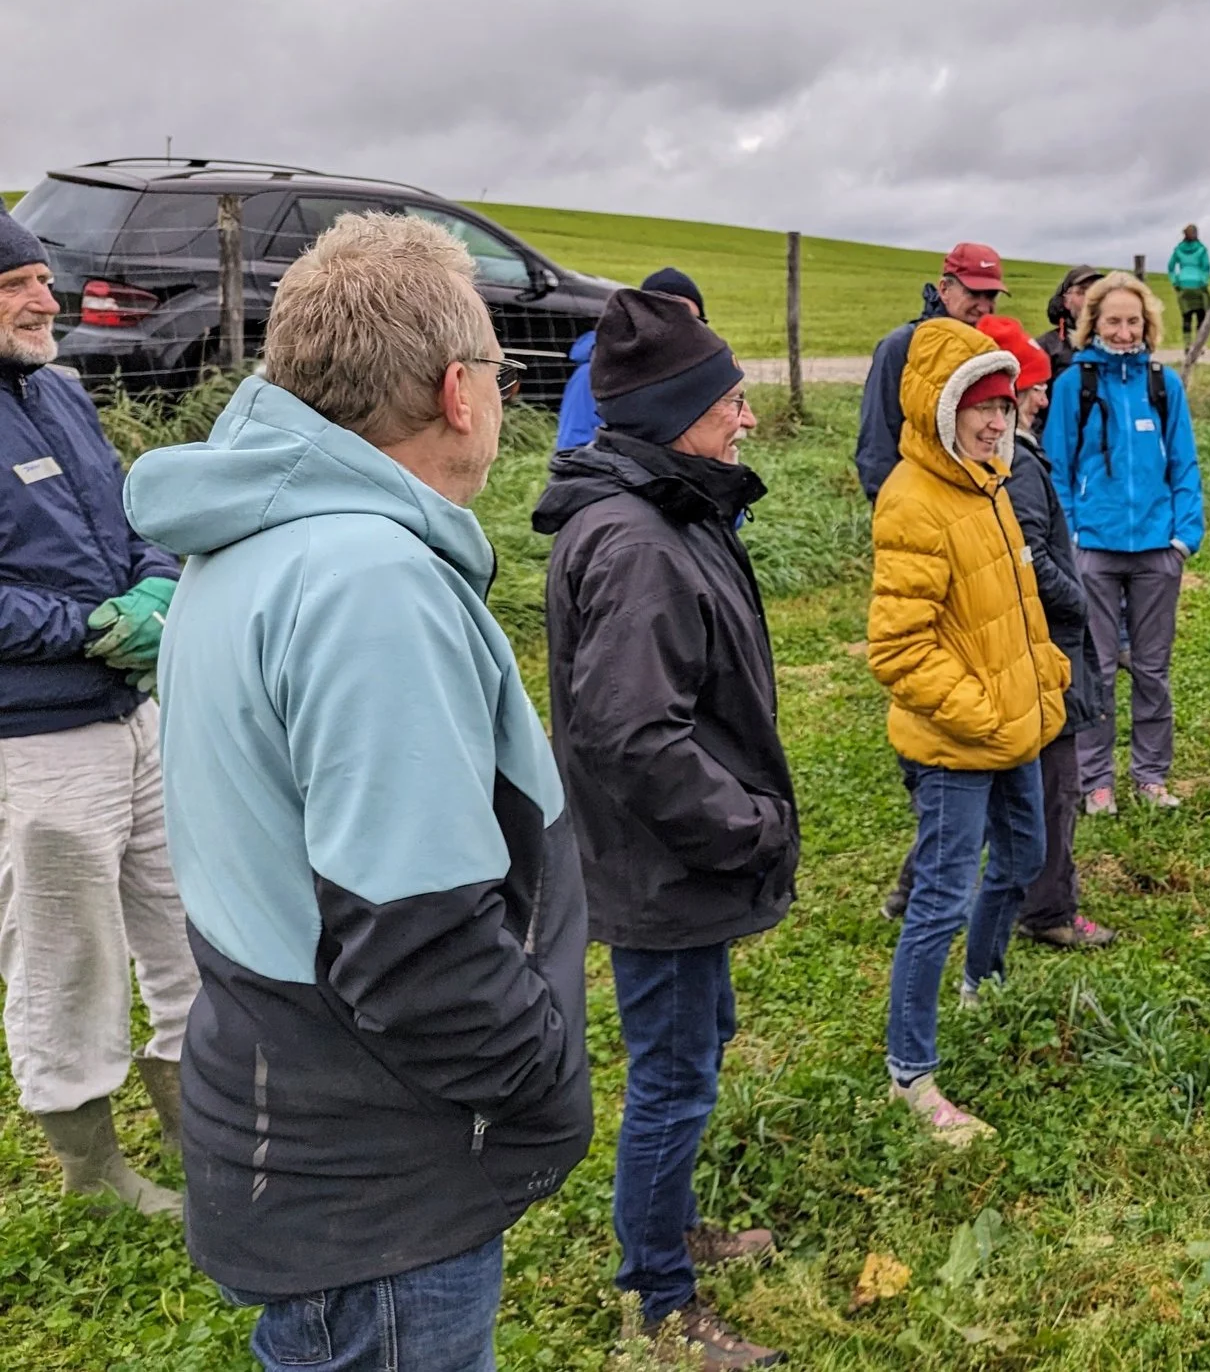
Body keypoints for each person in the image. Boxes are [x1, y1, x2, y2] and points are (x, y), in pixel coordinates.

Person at [125, 212, 592, 1368]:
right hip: (378, 1168)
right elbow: (419, 945)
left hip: (293, 1114)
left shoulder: (247, 542)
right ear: (457, 391)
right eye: (499, 373)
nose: (501, 396)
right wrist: (539, 1077)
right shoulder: (368, 580)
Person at [534, 289, 796, 1368]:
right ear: (677, 413)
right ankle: (658, 1297)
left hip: (674, 862)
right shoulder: (638, 541)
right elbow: (634, 735)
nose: (747, 416)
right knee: (673, 1076)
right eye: (729, 401)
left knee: (695, 1043)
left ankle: (672, 1228)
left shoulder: (669, 510)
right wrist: (744, 828)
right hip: (668, 866)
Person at [0, 206, 195, 1220]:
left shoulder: (55, 391)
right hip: (36, 740)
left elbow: (129, 511)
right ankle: (91, 1173)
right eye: (16, 286)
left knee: (187, 921)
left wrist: (158, 583)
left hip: (132, 714)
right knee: (67, 954)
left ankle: (202, 1121)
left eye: (42, 278)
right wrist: (84, 626)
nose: (47, 299)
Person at [868, 318, 1069, 1145]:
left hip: (1012, 723)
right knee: (940, 900)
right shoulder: (913, 501)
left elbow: (1017, 604)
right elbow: (897, 647)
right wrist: (981, 713)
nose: (995, 422)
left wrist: (1044, 674)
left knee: (1022, 858)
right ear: (938, 409)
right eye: (978, 407)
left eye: (1003, 406)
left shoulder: (989, 484)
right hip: (958, 742)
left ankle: (981, 982)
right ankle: (909, 1072)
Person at [1040, 272, 1202, 814]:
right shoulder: (1075, 385)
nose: (1124, 331)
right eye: (1113, 320)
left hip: (1158, 550)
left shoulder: (1164, 384)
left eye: (1134, 321)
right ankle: (1096, 781)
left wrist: (1184, 537)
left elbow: (1185, 464)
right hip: (1095, 551)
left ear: (1147, 324)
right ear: (1093, 323)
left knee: (1153, 670)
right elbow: (1057, 470)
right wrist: (1072, 540)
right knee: (1099, 671)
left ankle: (1151, 776)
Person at [979, 314, 1115, 948]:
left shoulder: (988, 458)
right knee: (1056, 785)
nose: (1042, 397)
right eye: (1034, 387)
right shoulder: (1022, 465)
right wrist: (1078, 601)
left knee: (993, 782)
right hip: (1045, 649)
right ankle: (1050, 910)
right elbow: (1029, 556)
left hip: (1014, 644)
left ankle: (918, 883)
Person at [856, 242, 1006, 500]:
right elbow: (878, 434)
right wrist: (886, 499)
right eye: (973, 293)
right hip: (915, 497)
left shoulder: (989, 351)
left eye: (991, 296)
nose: (983, 306)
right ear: (944, 289)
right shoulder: (903, 346)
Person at [554, 268, 709, 453]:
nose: (682, 329)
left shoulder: (704, 376)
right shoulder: (593, 376)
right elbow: (572, 453)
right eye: (669, 317)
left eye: (693, 320)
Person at [1038, 265, 1102, 381]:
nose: (1090, 298)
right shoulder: (1046, 347)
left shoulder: (1118, 342)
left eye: (1097, 292)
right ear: (1066, 301)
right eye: (1082, 292)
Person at [1168, 225, 1210, 343]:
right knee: (1201, 317)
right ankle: (1199, 345)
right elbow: (1206, 267)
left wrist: (1175, 281)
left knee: (1186, 317)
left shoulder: (1178, 249)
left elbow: (1171, 267)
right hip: (1198, 284)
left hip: (1183, 285)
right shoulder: (1202, 249)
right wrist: (1205, 281)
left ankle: (1187, 345)